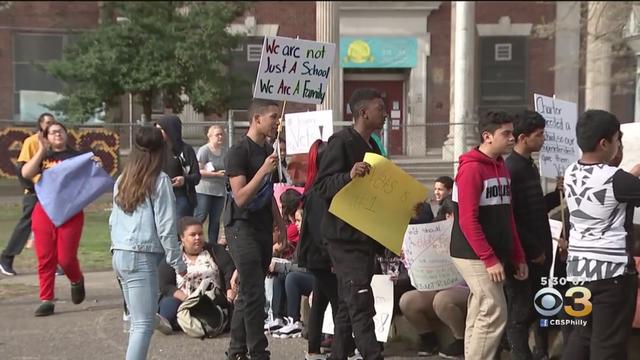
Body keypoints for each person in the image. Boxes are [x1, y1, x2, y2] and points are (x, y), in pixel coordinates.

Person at [314, 88, 387, 360]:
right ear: (363, 112)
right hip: (344, 237)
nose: (385, 113)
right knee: (359, 299)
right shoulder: (341, 142)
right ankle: (371, 354)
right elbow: (321, 186)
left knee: (347, 302)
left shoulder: (375, 146)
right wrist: (348, 175)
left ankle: (339, 355)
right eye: (379, 108)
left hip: (365, 236)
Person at [561, 110, 640, 359]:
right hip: (612, 276)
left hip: (578, 272)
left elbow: (605, 186)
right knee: (608, 346)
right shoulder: (617, 179)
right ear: (604, 143)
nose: (618, 145)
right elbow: (618, 185)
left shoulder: (571, 172)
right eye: (618, 139)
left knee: (581, 338)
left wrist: (631, 176)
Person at [450, 111, 528, 360]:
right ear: (487, 136)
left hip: (489, 253)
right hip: (472, 253)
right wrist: (489, 258)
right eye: (505, 133)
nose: (512, 138)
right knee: (494, 310)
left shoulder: (501, 166)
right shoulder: (471, 169)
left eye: (512, 133)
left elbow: (508, 217)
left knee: (481, 309)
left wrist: (517, 254)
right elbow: (467, 220)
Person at [109, 126, 186, 360]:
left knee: (138, 322)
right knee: (143, 325)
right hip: (140, 256)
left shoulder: (122, 178)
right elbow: (166, 226)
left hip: (120, 253)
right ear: (160, 150)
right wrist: (178, 262)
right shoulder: (159, 180)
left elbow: (112, 221)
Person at [223, 98, 287, 360]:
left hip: (262, 228)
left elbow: (267, 193)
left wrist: (280, 224)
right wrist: (263, 170)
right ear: (257, 119)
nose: (277, 122)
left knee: (249, 291)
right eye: (273, 117)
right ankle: (258, 352)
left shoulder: (268, 150)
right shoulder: (239, 152)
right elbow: (240, 197)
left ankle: (236, 350)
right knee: (255, 293)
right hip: (241, 228)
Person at [21, 122, 99, 316]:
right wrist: (41, 149)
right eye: (52, 132)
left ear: (66, 134)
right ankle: (47, 299)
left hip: (70, 211)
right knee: (45, 257)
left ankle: (76, 279)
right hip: (44, 209)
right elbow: (26, 174)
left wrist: (97, 164)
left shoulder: (77, 157)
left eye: (60, 131)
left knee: (65, 258)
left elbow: (92, 176)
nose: (56, 134)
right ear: (46, 137)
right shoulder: (42, 158)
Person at [504, 110, 562, 360]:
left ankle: (541, 351)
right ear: (523, 138)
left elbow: (536, 207)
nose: (543, 139)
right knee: (521, 310)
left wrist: (557, 194)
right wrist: (532, 249)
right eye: (539, 135)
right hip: (526, 254)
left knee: (541, 305)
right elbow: (512, 218)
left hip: (541, 249)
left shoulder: (529, 165)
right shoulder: (512, 169)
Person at [297, 139, 350, 360]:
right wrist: (333, 258)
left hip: (317, 256)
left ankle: (314, 349)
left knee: (320, 301)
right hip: (321, 257)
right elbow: (321, 232)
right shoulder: (320, 193)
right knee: (341, 304)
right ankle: (342, 351)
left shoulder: (314, 189)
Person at [400, 196, 469, 359]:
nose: (451, 218)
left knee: (442, 299)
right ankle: (428, 338)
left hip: (466, 288)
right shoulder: (435, 237)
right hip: (438, 286)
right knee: (407, 301)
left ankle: (461, 340)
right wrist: (408, 257)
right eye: (449, 215)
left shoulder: (471, 232)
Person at [157, 216, 237, 334]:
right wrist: (188, 300)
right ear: (182, 238)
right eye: (192, 235)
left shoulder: (216, 251)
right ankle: (187, 322)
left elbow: (229, 273)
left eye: (200, 234)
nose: (197, 238)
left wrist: (230, 299)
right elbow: (166, 286)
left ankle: (200, 323)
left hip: (212, 299)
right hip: (184, 299)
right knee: (167, 309)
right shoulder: (173, 257)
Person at [0, 113, 55, 276]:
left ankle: (55, 262)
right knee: (26, 224)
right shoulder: (31, 142)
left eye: (53, 123)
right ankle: (6, 258)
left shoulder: (55, 143)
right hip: (35, 191)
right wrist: (32, 188)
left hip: (52, 193)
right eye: (47, 123)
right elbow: (21, 169)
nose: (50, 125)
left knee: (52, 228)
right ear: (40, 125)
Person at [155, 115, 201, 218]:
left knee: (179, 229)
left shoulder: (186, 150)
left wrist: (184, 180)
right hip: (159, 196)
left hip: (180, 196)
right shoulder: (155, 150)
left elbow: (196, 176)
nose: (157, 132)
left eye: (160, 129)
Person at [194, 125, 227, 244]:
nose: (220, 137)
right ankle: (192, 240)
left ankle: (212, 246)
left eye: (221, 134)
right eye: (217, 134)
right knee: (201, 216)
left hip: (219, 190)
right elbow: (198, 170)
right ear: (210, 136)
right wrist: (216, 175)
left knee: (216, 220)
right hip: (204, 189)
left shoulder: (224, 151)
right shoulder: (204, 150)